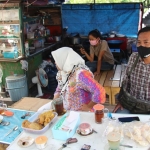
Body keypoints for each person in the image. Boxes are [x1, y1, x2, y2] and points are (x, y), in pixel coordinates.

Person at [51, 47, 106, 111]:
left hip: (83, 114)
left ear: (65, 60)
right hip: (69, 113)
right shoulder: (63, 74)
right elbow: (59, 89)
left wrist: (88, 107)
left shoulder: (80, 75)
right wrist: (53, 104)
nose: (55, 62)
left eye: (57, 60)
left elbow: (99, 91)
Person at [113, 26, 150, 114]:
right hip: (131, 104)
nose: (142, 46)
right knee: (117, 118)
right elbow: (126, 81)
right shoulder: (134, 57)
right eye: (139, 42)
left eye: (146, 42)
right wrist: (121, 101)